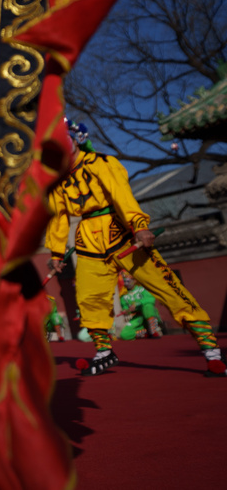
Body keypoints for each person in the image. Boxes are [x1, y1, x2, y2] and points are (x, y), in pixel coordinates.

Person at [46, 121, 225, 377]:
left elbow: (121, 194)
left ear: (76, 138)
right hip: (87, 239)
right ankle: (104, 351)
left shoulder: (101, 163)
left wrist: (138, 225)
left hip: (120, 230)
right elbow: (58, 216)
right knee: (89, 298)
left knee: (166, 287)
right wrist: (55, 252)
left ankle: (211, 349)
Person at [118, 272, 162, 341]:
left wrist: (137, 304)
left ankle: (154, 330)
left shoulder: (142, 290)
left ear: (135, 281)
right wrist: (126, 311)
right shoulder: (123, 296)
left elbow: (150, 299)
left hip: (149, 314)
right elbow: (126, 307)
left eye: (128, 281)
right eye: (125, 281)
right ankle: (146, 332)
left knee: (147, 306)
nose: (126, 283)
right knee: (124, 335)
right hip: (138, 318)